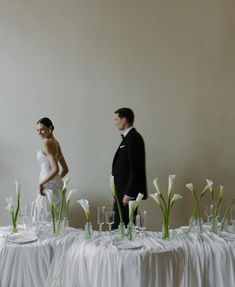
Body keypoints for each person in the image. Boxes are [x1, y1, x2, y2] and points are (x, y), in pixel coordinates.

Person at [112, 108, 147, 228]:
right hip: (122, 193)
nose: (115, 122)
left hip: (127, 196)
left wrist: (129, 194)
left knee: (122, 228)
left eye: (117, 119)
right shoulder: (129, 138)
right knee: (120, 228)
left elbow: (135, 168)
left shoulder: (133, 138)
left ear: (124, 120)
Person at [32, 117, 69, 221]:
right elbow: (65, 169)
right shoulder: (56, 143)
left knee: (45, 218)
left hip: (46, 185)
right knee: (56, 220)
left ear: (51, 128)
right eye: (37, 130)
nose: (39, 132)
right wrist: (56, 180)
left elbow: (55, 169)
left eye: (42, 129)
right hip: (54, 185)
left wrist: (41, 184)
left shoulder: (47, 143)